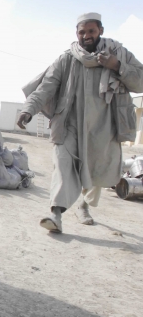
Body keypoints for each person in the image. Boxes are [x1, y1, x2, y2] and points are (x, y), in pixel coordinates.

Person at [17, 12, 143, 233]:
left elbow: (140, 81)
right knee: (63, 166)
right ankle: (55, 213)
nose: (86, 35)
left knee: (96, 172)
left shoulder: (119, 54)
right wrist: (28, 110)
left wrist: (117, 66)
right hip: (68, 124)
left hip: (104, 125)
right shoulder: (67, 59)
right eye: (81, 31)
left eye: (91, 31)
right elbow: (45, 88)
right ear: (76, 33)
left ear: (100, 31)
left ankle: (83, 205)